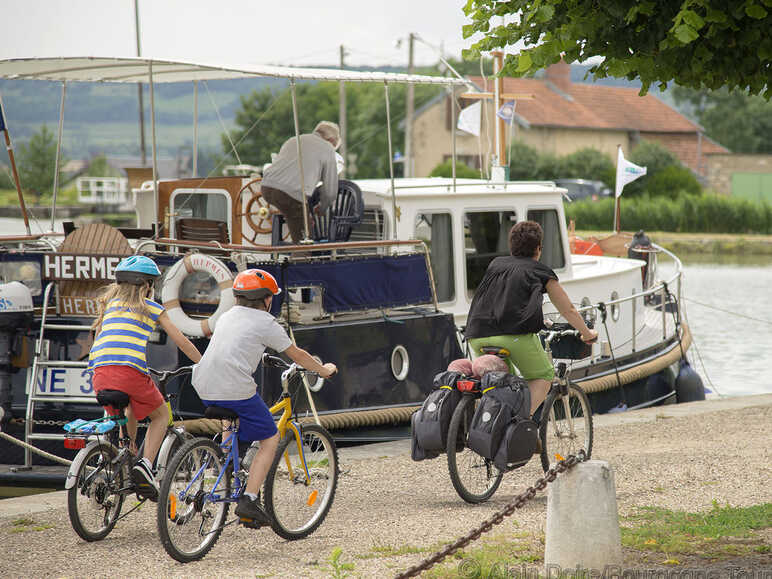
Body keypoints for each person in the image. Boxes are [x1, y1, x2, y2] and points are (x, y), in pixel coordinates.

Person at [191, 268, 337, 524]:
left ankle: (225, 464)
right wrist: (323, 370)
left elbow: (236, 346)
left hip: (203, 384)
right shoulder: (265, 322)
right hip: (234, 388)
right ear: (267, 299)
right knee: (270, 437)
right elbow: (297, 355)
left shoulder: (226, 316)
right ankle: (249, 498)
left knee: (234, 418)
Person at [89, 255, 202, 498]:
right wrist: (204, 363)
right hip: (129, 372)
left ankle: (126, 459)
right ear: (148, 286)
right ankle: (145, 466)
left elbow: (98, 340)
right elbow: (181, 340)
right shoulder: (152, 308)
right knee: (161, 415)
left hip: (99, 374)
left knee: (127, 409)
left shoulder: (108, 305)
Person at [465, 221, 598, 416]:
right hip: (514, 337)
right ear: (538, 248)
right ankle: (518, 424)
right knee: (544, 375)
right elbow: (568, 309)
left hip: (476, 335)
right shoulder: (540, 271)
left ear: (511, 246)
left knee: (503, 383)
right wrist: (587, 333)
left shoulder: (495, 264)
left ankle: (496, 426)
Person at [261, 121, 341, 244]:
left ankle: (288, 256)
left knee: (298, 217)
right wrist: (322, 209)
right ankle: (301, 258)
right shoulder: (327, 148)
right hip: (289, 195)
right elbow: (330, 192)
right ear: (331, 141)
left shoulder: (293, 140)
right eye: (335, 146)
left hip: (266, 188)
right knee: (304, 241)